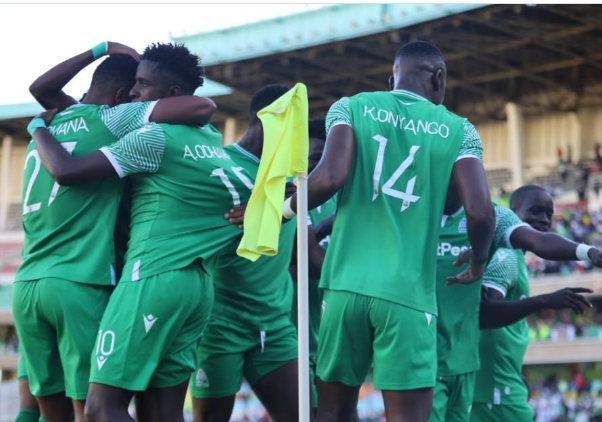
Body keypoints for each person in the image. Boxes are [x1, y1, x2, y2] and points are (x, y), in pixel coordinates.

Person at [28, 42, 248, 422]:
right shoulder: (215, 145)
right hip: (197, 286)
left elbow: (66, 171)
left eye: (143, 84)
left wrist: (38, 129)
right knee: (163, 414)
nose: (133, 93)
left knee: (99, 410)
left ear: (172, 95)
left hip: (149, 276)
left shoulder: (150, 138)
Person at [285, 40, 495, 421]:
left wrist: (284, 210)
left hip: (344, 286)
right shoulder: (459, 130)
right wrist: (479, 260)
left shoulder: (350, 106)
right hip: (407, 294)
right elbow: (480, 212)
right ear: (439, 78)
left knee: (330, 414)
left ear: (391, 79)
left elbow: (329, 177)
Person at [431, 184, 601, 422]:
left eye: (549, 214)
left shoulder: (511, 258)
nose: (543, 219)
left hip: (497, 380)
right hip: (495, 387)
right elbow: (483, 313)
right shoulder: (507, 257)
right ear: (513, 212)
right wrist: (545, 300)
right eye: (535, 211)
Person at [189, 84, 301, 422]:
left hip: (275, 324)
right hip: (222, 322)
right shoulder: (220, 168)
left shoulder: (293, 181)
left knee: (306, 416)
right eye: (293, 128)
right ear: (271, 121)